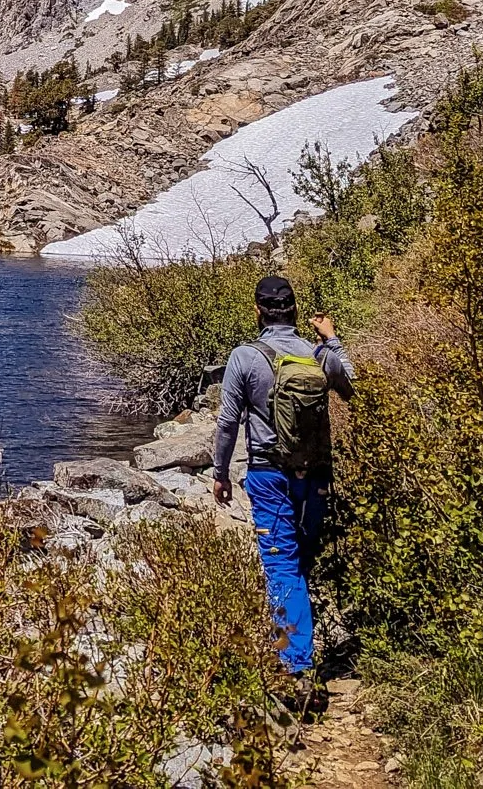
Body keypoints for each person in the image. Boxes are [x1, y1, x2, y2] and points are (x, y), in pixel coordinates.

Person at [211, 273, 353, 676]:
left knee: (282, 567)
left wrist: (219, 472)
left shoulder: (246, 356)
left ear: (257, 311)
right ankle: (297, 640)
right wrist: (332, 340)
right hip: (317, 475)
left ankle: (295, 667)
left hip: (268, 473)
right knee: (300, 560)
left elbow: (227, 424)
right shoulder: (317, 353)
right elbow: (350, 386)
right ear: (295, 310)